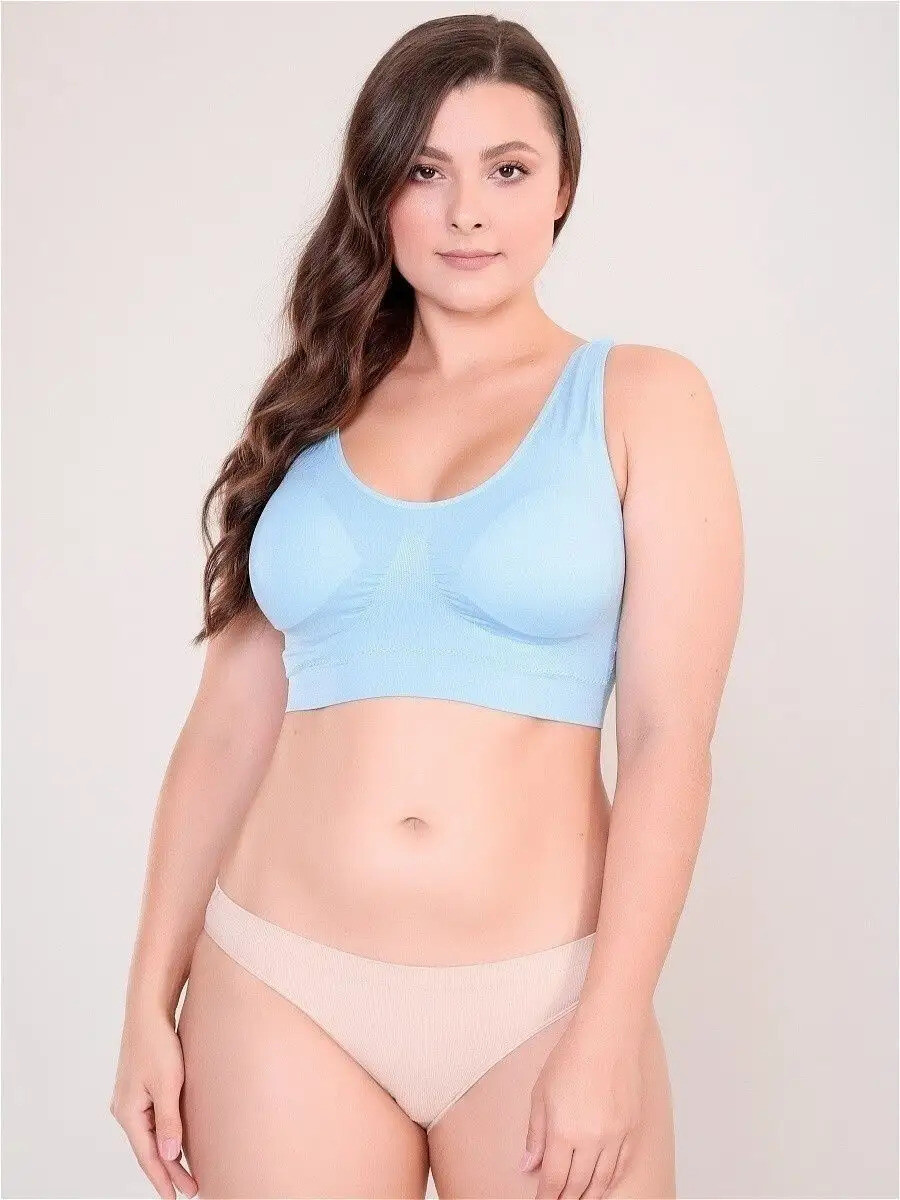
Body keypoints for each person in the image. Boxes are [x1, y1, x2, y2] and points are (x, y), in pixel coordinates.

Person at [110, 12, 744, 1200]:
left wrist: (612, 1024)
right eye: (424, 171)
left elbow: (669, 739)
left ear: (562, 189)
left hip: (543, 999)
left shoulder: (643, 400)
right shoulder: (309, 411)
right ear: (378, 191)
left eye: (508, 170)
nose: (466, 214)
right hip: (280, 985)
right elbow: (227, 729)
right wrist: (148, 997)